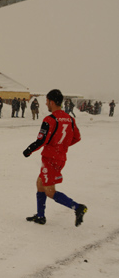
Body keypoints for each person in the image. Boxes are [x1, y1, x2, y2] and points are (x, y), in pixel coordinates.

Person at [23, 89, 87, 227]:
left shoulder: (50, 119)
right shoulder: (70, 119)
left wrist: (28, 150)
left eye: (47, 101)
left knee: (50, 191)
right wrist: (62, 146)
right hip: (59, 157)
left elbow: (41, 140)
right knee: (40, 183)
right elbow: (77, 137)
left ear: (51, 102)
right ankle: (40, 216)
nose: (46, 103)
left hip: (50, 158)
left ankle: (77, 207)